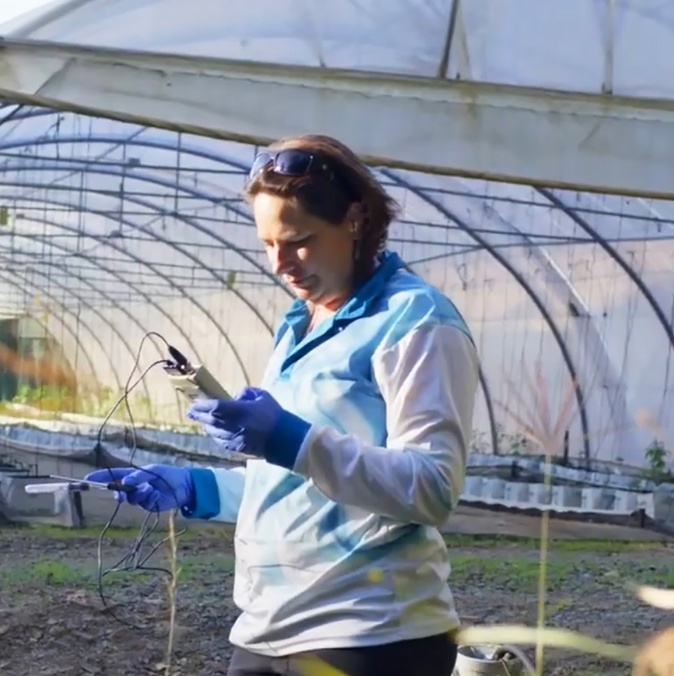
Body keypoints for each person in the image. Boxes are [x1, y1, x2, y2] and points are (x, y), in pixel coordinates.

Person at [87, 134, 480, 676]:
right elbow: (298, 483)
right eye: (267, 244)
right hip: (266, 628)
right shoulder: (297, 326)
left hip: (368, 632)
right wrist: (196, 486)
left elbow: (432, 487)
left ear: (355, 220)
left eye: (298, 241)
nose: (280, 264)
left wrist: (288, 438)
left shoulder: (414, 321)